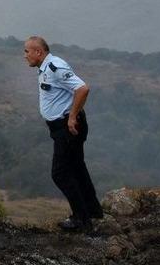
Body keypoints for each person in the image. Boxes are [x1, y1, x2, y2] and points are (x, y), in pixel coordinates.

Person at [23, 36, 102, 231]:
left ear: (39, 52)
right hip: (62, 127)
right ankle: (92, 210)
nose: (25, 56)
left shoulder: (54, 68)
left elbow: (83, 89)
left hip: (68, 128)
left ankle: (81, 220)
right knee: (77, 168)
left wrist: (72, 116)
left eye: (27, 51)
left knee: (60, 173)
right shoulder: (45, 68)